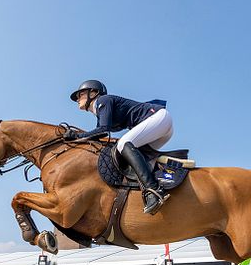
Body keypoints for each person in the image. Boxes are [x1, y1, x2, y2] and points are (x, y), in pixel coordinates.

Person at [65, 80, 173, 215]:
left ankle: (153, 190)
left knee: (123, 144)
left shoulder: (103, 100)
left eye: (80, 94)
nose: (77, 99)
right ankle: (164, 180)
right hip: (162, 127)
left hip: (158, 118)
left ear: (94, 93)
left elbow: (102, 131)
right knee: (138, 157)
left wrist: (76, 136)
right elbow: (101, 134)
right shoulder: (99, 111)